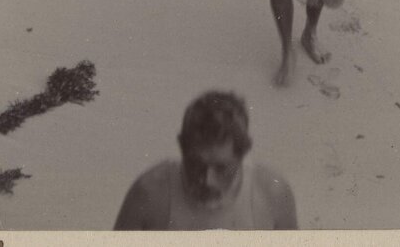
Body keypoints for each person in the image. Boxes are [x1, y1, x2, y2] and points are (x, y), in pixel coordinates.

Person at [113, 90, 297, 230]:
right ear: (182, 147)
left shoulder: (272, 194)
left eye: (222, 168)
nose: (207, 180)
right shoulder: (149, 193)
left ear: (243, 154)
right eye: (195, 165)